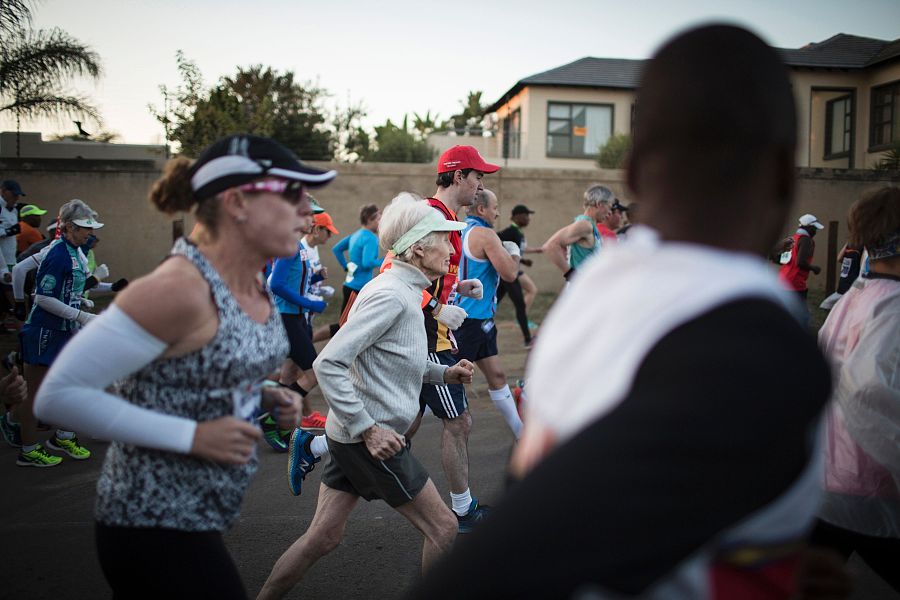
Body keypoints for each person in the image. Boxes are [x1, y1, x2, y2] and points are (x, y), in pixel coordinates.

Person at [409, 24, 833, 599]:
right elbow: (520, 546)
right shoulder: (756, 336)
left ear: (630, 177)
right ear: (785, 177)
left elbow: (541, 480)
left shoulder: (596, 288)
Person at [33, 134, 330, 599]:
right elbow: (59, 394)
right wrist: (191, 436)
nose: (307, 214)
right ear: (236, 202)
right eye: (291, 196)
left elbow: (197, 377)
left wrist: (262, 397)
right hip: (148, 521)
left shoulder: (247, 280)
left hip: (200, 517)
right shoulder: (179, 287)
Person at [258, 193, 475, 600]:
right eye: (444, 239)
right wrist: (369, 431)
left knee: (322, 538)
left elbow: (399, 361)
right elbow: (329, 364)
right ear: (417, 248)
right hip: (370, 441)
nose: (451, 248)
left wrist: (446, 372)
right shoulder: (391, 294)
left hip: (350, 436)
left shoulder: (407, 292)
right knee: (444, 527)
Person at [812, 186, 900, 592]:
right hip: (868, 482)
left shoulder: (854, 298)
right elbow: (869, 391)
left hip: (833, 474)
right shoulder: (893, 307)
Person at [411, 145, 499, 532]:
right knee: (458, 420)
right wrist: (436, 309)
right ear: (459, 175)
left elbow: (425, 277)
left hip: (429, 331)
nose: (480, 185)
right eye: (477, 176)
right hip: (429, 338)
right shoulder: (432, 216)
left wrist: (457, 286)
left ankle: (315, 446)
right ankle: (462, 511)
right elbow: (393, 272)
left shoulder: (445, 216)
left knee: (402, 423)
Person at [13, 199, 104, 466]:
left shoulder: (75, 251)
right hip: (44, 331)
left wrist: (81, 301)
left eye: (90, 227)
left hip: (64, 330)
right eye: (85, 227)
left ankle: (62, 436)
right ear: (69, 227)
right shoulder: (58, 253)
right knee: (35, 395)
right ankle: (28, 450)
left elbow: (68, 289)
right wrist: (81, 314)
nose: (90, 232)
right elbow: (43, 298)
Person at [456, 189, 523, 438]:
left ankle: (521, 433)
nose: (498, 212)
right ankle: (397, 436)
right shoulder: (485, 234)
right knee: (443, 387)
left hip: (477, 319)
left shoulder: (458, 229)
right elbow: (510, 274)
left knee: (497, 375)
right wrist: (515, 252)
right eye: (495, 206)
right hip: (469, 321)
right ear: (482, 209)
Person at [542, 184, 611, 281]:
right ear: (599, 204)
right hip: (584, 288)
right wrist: (571, 275)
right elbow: (550, 246)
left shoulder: (590, 225)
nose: (609, 213)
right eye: (609, 206)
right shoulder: (584, 225)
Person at [497, 204, 540, 346]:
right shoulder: (510, 232)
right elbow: (496, 242)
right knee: (520, 304)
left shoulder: (518, 233)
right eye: (526, 215)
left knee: (493, 302)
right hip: (508, 273)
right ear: (516, 216)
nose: (528, 219)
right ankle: (528, 339)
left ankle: (482, 326)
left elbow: (514, 252)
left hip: (509, 273)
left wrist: (524, 260)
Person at [779, 213, 824, 322]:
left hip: (783, 279)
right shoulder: (806, 240)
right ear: (807, 227)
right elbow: (800, 262)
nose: (815, 231)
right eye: (814, 228)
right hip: (795, 281)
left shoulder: (793, 238)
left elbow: (781, 258)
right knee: (801, 316)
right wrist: (814, 268)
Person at [818, 241, 863, 310]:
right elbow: (839, 259)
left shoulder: (861, 249)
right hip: (844, 286)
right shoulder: (850, 246)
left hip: (850, 286)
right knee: (826, 305)